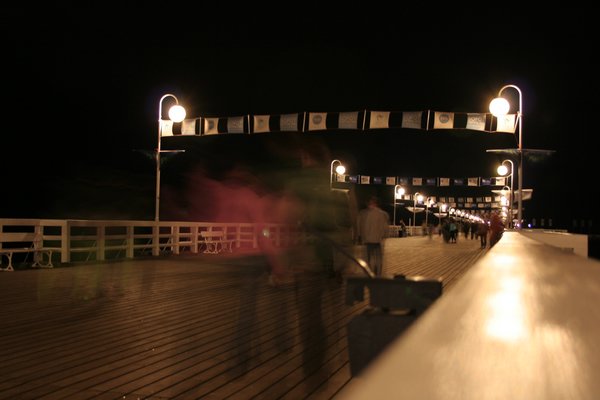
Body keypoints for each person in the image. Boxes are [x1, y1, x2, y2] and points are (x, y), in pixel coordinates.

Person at [357, 196, 390, 276]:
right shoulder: (383, 214)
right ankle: (377, 272)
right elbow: (385, 228)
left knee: (368, 257)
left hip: (367, 240)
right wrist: (383, 236)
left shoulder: (362, 213)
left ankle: (369, 272)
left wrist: (359, 236)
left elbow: (358, 226)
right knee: (377, 258)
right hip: (377, 240)